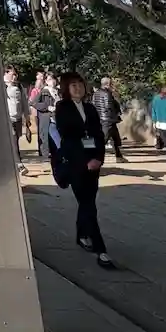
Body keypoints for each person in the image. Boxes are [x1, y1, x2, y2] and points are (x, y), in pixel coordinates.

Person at [54, 71, 114, 268]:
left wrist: (98, 158)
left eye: (80, 83)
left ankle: (81, 235)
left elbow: (98, 135)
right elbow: (68, 137)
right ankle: (101, 249)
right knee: (88, 205)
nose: (78, 88)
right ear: (66, 88)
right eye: (73, 85)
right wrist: (84, 160)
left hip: (93, 163)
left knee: (87, 202)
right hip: (76, 163)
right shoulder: (62, 108)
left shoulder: (90, 108)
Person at [92, 76, 127, 163]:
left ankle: (119, 157)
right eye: (111, 83)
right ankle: (92, 157)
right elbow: (109, 106)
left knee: (115, 139)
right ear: (108, 84)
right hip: (108, 120)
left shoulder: (96, 93)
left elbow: (94, 105)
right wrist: (116, 113)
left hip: (101, 118)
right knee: (103, 140)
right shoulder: (107, 93)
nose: (112, 85)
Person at [3, 67, 31, 174]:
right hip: (7, 119)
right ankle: (20, 165)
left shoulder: (19, 86)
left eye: (15, 74)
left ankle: (10, 162)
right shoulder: (1, 86)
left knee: (16, 140)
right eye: (12, 74)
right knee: (13, 139)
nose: (15, 76)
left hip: (18, 119)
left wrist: (27, 117)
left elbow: (24, 102)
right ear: (6, 74)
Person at [30, 70, 57, 162]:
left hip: (57, 119)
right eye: (49, 79)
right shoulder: (44, 91)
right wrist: (47, 107)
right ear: (46, 81)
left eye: (53, 79)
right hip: (48, 120)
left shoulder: (58, 92)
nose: (52, 81)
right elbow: (33, 103)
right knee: (50, 139)